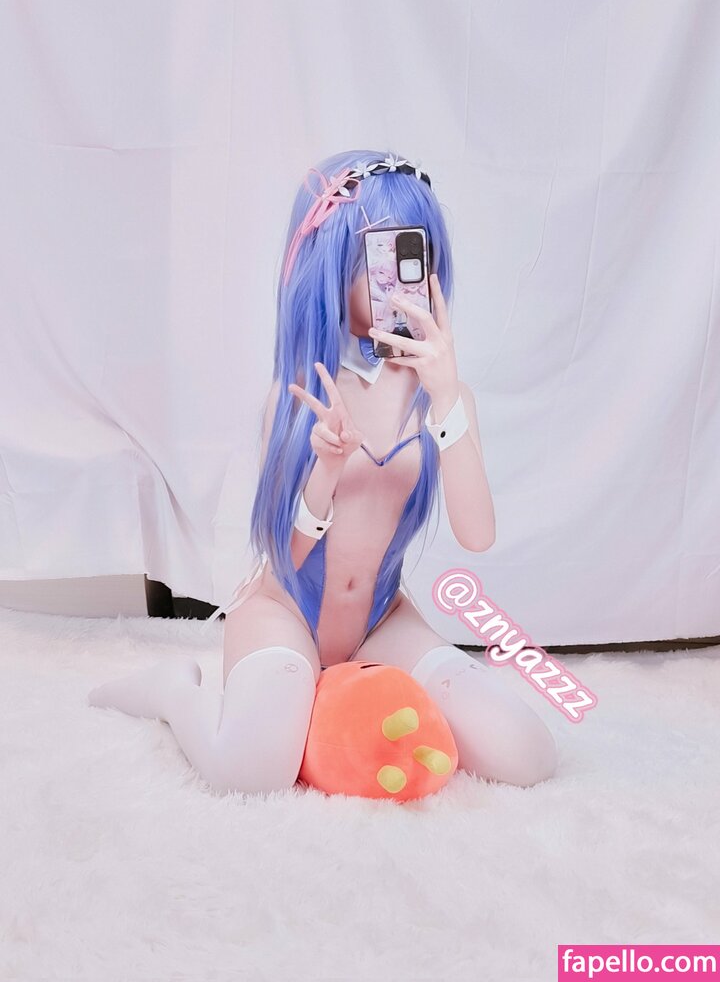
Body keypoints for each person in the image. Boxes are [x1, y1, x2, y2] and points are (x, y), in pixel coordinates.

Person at [88, 150, 558, 795]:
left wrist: (447, 397)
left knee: (526, 754)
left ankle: (325, 697)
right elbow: (286, 555)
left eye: (415, 253)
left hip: (379, 622)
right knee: (251, 776)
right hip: (285, 613)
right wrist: (327, 471)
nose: (401, 281)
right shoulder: (302, 396)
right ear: (335, 262)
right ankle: (175, 692)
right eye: (380, 256)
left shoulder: (445, 399)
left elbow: (477, 537)